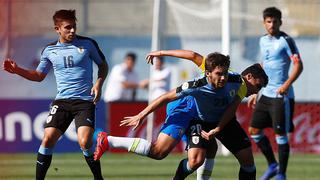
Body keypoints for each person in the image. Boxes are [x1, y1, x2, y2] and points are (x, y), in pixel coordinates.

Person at [94, 51, 268, 179]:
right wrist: (141, 114)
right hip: (187, 111)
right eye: (219, 74)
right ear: (208, 72)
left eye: (225, 73)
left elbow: (232, 109)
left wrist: (219, 127)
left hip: (219, 118)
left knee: (235, 155)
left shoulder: (238, 81)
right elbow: (168, 93)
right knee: (162, 152)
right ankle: (109, 141)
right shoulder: (196, 85)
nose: (223, 78)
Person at [2, 9, 108, 180]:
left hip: (84, 101)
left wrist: (98, 83)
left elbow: (103, 65)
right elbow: (38, 76)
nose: (72, 31)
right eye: (67, 28)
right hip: (62, 101)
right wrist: (17, 70)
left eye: (74, 27)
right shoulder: (49, 50)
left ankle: (98, 178)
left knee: (84, 141)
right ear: (57, 29)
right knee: (48, 138)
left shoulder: (88, 44)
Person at [247, 7, 303, 180]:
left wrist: (286, 84)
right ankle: (272, 165)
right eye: (268, 22)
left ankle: (282, 174)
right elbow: (265, 64)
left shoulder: (286, 40)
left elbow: (298, 65)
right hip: (266, 94)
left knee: (280, 134)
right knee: (254, 130)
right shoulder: (263, 40)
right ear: (264, 23)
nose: (271, 25)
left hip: (281, 96)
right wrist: (257, 90)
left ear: (280, 22)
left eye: (275, 21)